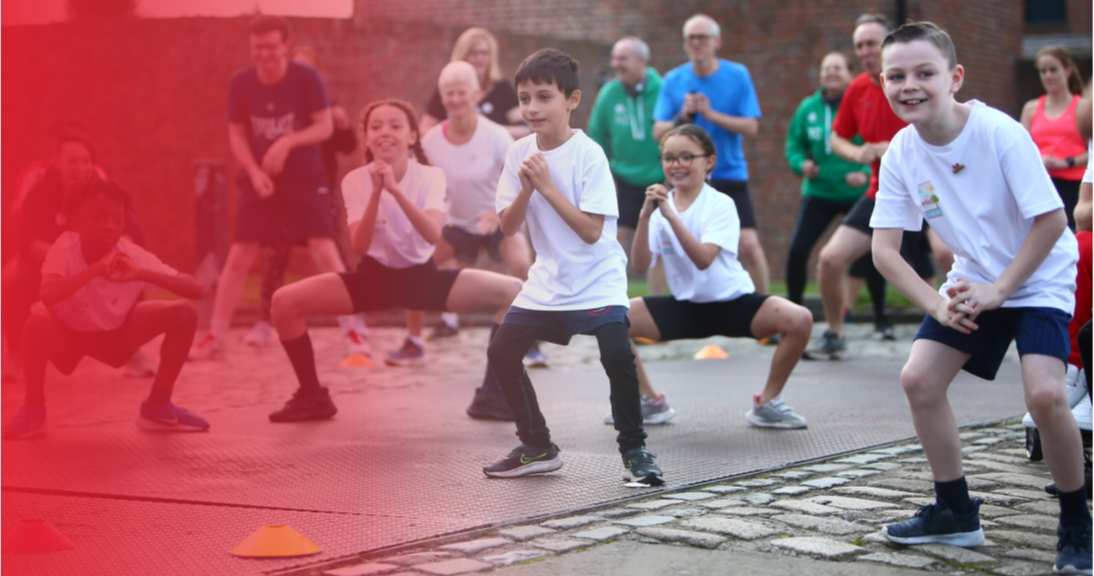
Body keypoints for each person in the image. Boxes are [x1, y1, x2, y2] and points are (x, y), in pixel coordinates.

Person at [869, 22, 1090, 574]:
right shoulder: (901, 150)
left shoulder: (997, 132)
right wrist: (937, 304)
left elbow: (1051, 221)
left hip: (1037, 277)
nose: (910, 85)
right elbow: (885, 252)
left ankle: (1076, 523)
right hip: (975, 278)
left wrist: (1001, 290)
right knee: (919, 378)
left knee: (1044, 398)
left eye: (925, 73)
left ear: (954, 78)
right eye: (897, 76)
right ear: (883, 82)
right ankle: (955, 511)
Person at [265, 99, 522, 422]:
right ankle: (311, 396)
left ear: (412, 137)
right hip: (373, 280)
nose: (385, 132)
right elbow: (360, 245)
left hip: (422, 281)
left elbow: (431, 234)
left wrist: (396, 192)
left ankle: (491, 395)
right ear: (367, 138)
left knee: (514, 291)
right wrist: (376, 192)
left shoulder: (430, 177)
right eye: (376, 127)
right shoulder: (355, 181)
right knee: (283, 302)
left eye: (395, 126)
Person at [481, 48, 663, 486]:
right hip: (549, 279)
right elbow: (507, 226)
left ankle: (635, 451)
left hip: (597, 277)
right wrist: (527, 188)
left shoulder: (590, 155)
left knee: (618, 354)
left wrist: (545, 185)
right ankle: (537, 445)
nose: (532, 108)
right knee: (501, 351)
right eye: (525, 98)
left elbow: (589, 231)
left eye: (544, 97)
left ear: (572, 100)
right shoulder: (518, 152)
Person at [189, 15, 363, 361]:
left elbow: (324, 127)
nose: (265, 54)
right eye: (258, 47)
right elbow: (236, 133)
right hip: (261, 176)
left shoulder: (306, 78)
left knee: (324, 248)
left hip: (303, 173)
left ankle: (354, 330)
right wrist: (253, 171)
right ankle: (215, 335)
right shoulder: (240, 82)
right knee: (240, 253)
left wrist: (287, 143)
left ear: (284, 45)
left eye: (271, 46)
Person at [621, 124, 812, 429]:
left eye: (686, 157)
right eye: (669, 158)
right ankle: (649, 402)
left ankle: (768, 402)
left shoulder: (721, 204)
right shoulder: (658, 212)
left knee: (800, 319)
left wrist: (670, 214)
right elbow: (641, 265)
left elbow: (703, 260)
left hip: (733, 304)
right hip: (684, 307)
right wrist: (645, 216)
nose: (676, 165)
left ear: (708, 161)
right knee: (611, 319)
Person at [2, 179, 208, 439]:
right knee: (35, 324)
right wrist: (97, 269)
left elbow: (196, 290)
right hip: (69, 336)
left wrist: (141, 273)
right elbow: (48, 293)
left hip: (117, 336)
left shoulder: (131, 254)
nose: (109, 227)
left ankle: (158, 405)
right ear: (75, 222)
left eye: (117, 219)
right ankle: (33, 411)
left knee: (184, 313)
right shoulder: (64, 248)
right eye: (98, 218)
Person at [813, 14, 946, 358]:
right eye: (859, 45)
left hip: (930, 188)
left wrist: (897, 146)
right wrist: (859, 151)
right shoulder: (858, 88)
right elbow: (838, 136)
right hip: (882, 192)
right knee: (829, 258)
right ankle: (835, 331)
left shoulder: (913, 85)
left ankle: (964, 328)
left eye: (872, 43)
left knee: (946, 253)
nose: (865, 51)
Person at [410, 61, 538, 419]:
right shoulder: (431, 141)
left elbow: (516, 176)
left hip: (497, 217)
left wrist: (494, 212)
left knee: (523, 269)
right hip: (457, 222)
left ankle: (533, 342)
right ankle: (414, 340)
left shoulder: (495, 134)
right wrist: (441, 211)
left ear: (474, 95)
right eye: (448, 93)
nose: (454, 99)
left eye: (461, 92)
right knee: (416, 265)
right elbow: (423, 185)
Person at [241, 46, 371, 353]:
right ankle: (263, 321)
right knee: (275, 253)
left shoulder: (325, 106)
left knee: (330, 252)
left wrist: (342, 125)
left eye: (307, 70)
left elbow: (347, 144)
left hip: (318, 189)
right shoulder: (277, 107)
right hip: (283, 190)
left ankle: (353, 319)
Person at [4, 131, 155, 381]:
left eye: (86, 161)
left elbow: (132, 231)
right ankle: (16, 356)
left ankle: (132, 351)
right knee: (21, 280)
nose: (81, 167)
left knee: (130, 274)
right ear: (57, 162)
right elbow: (27, 241)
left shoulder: (106, 191)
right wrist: (65, 260)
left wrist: (117, 252)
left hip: (98, 265)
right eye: (73, 161)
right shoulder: (40, 194)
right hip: (51, 267)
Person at [653, 14, 770, 297]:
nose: (696, 43)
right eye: (690, 38)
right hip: (685, 174)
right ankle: (655, 318)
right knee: (661, 243)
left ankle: (767, 312)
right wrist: (685, 115)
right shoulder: (673, 79)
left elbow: (751, 126)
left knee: (749, 245)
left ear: (716, 42)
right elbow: (658, 132)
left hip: (728, 172)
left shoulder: (737, 74)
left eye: (702, 37)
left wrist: (710, 114)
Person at [784, 51, 891, 343]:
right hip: (819, 192)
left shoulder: (860, 96)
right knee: (799, 252)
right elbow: (794, 144)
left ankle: (882, 318)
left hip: (859, 191)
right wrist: (800, 164)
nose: (831, 72)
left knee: (873, 255)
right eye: (825, 68)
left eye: (837, 68)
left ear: (848, 72)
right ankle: (793, 315)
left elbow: (868, 141)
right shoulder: (808, 108)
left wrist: (861, 168)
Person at [587, 36, 668, 298]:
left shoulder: (662, 89)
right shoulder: (609, 93)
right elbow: (596, 136)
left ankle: (657, 309)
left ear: (642, 61)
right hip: (621, 179)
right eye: (614, 58)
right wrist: (605, 173)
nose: (616, 64)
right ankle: (615, 304)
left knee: (658, 243)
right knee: (614, 241)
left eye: (623, 58)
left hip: (658, 178)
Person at [1021, 45, 1088, 232]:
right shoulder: (1031, 108)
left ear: (1067, 70)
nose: (1048, 76)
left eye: (1053, 70)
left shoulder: (1082, 107)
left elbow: (1090, 151)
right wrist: (1039, 160)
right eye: (1043, 71)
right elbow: (1021, 147)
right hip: (1041, 183)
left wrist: (1066, 162)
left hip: (1074, 186)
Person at [420, 27, 529, 140]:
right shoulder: (449, 88)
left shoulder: (502, 88)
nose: (479, 57)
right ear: (462, 54)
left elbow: (524, 130)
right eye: (473, 52)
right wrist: (451, 130)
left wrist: (486, 126)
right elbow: (424, 129)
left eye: (484, 53)